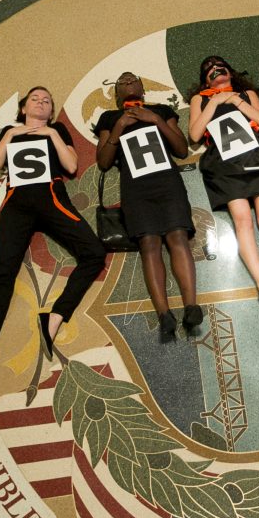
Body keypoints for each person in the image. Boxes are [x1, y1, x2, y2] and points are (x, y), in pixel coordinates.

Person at [0, 86, 106, 377]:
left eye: (47, 101)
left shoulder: (57, 130)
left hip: (52, 199)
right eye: (35, 99)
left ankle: (55, 317)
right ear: (23, 108)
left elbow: (71, 165)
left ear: (51, 111)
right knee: (2, 272)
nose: (41, 102)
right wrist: (10, 135)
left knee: (94, 252)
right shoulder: (10, 131)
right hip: (16, 205)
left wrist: (51, 133)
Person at [94, 72, 202, 342]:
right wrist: (119, 127)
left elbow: (181, 149)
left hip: (167, 182)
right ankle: (164, 315)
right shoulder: (109, 119)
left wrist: (154, 120)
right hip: (136, 189)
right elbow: (104, 162)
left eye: (133, 81)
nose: (129, 84)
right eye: (122, 83)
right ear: (116, 94)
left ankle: (191, 306)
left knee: (178, 237)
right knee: (148, 244)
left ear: (143, 89)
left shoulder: (161, 110)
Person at [188, 56, 259, 301]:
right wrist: (214, 101)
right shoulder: (201, 99)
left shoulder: (246, 93)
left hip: (256, 155)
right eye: (208, 69)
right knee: (242, 219)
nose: (214, 69)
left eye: (219, 65)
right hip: (224, 162)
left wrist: (235, 100)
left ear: (231, 71)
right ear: (204, 80)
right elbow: (194, 134)